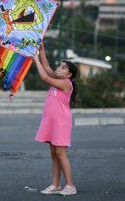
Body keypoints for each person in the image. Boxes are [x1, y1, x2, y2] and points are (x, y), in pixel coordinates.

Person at [33, 43, 78, 196]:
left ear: (69, 74)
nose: (59, 68)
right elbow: (46, 67)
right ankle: (56, 184)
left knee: (61, 153)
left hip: (61, 122)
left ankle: (70, 185)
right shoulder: (58, 79)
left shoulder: (65, 84)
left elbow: (44, 77)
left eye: (63, 67)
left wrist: (35, 60)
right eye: (60, 65)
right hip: (52, 121)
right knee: (54, 153)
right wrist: (41, 50)